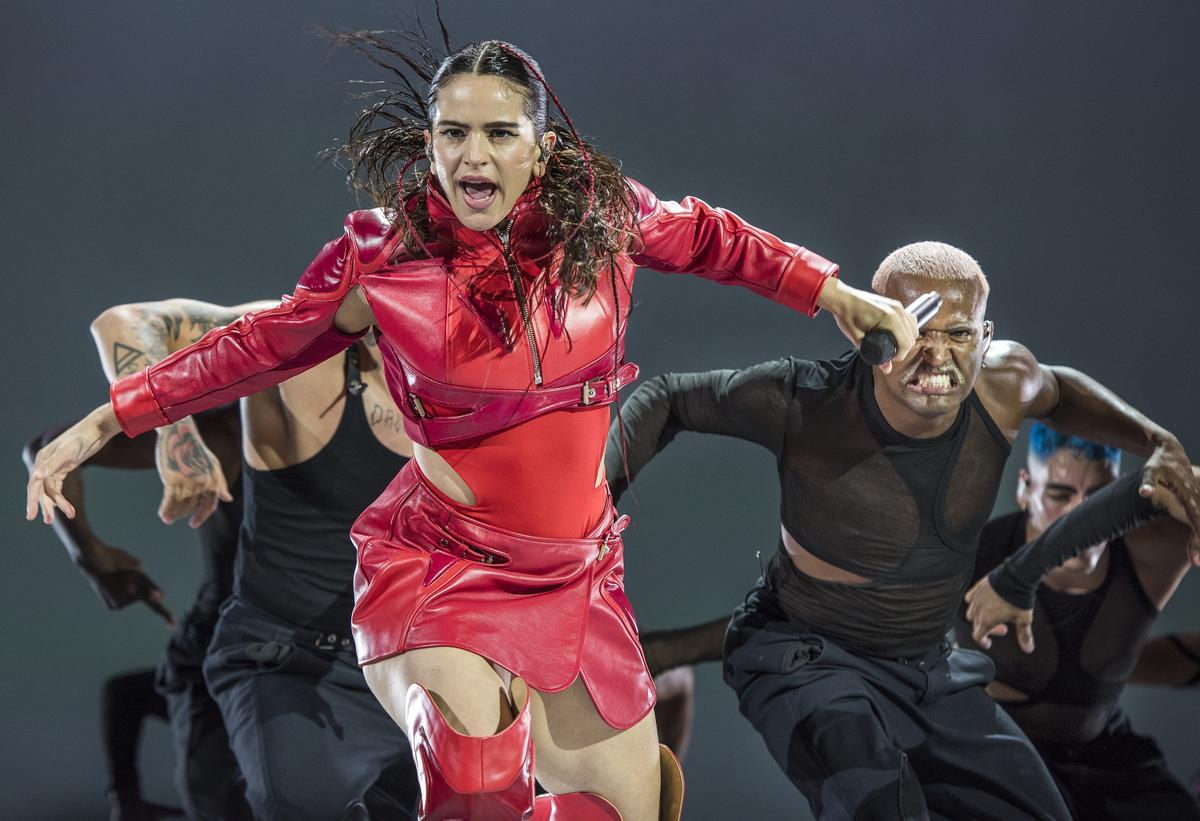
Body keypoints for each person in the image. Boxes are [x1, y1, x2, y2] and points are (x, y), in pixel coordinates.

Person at [25, 31, 920, 819]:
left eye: (499, 132)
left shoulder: (603, 221)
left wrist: (830, 290)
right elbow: (258, 345)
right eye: (453, 133)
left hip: (576, 575)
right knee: (477, 773)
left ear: (540, 144)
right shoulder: (383, 258)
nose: (473, 155)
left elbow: (711, 237)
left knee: (620, 809)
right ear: (431, 142)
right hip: (442, 565)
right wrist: (109, 419)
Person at [605, 240, 1200, 819]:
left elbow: (1061, 390)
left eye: (959, 334)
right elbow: (667, 399)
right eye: (917, 329)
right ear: (875, 329)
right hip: (807, 662)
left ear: (984, 338)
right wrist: (583, 519)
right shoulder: (807, 401)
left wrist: (1156, 441)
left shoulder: (1004, 385)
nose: (936, 355)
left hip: (927, 672)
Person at [88, 298, 421, 821]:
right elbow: (127, 323)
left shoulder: (466, 380)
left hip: (408, 669)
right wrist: (174, 436)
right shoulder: (299, 345)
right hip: (287, 661)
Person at [953, 423, 1200, 820]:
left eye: (1101, 499)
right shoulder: (973, 560)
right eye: (1059, 494)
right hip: (1003, 761)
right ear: (1025, 488)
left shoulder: (1153, 549)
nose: (1082, 516)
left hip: (1106, 757)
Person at [23, 407, 248, 821]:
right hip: (218, 660)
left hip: (321, 658)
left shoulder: (386, 431)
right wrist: (89, 556)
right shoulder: (232, 434)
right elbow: (49, 450)